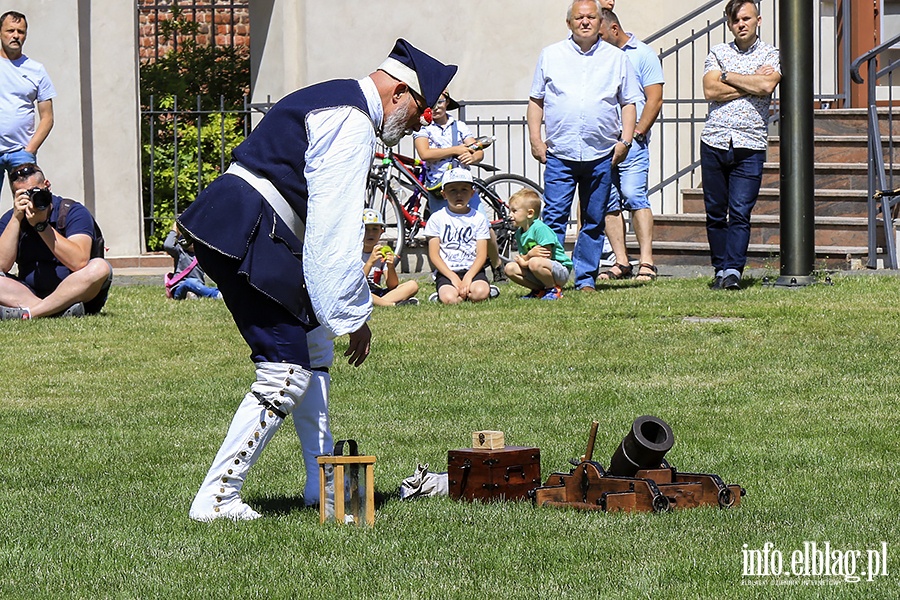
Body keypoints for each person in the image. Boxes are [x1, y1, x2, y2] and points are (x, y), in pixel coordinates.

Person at [178, 39, 456, 521]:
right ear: (398, 94)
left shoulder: (337, 100)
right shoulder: (349, 121)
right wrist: (353, 316)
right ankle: (217, 498)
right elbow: (334, 228)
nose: (418, 124)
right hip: (251, 230)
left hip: (250, 225)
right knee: (285, 370)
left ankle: (324, 488)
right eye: (420, 111)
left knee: (313, 349)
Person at [527, 0, 642, 292]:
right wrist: (535, 139)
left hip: (601, 152)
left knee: (593, 218)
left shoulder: (617, 59)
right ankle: (550, 277)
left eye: (591, 17)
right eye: (579, 17)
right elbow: (536, 101)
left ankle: (586, 277)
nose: (585, 22)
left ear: (600, 22)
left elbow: (628, 103)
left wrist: (625, 141)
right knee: (553, 217)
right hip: (560, 153)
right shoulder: (550, 55)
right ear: (569, 23)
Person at [701, 0, 780, 290]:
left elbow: (766, 87)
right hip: (715, 140)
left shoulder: (771, 53)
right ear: (729, 24)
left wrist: (728, 77)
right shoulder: (718, 52)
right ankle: (719, 268)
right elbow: (710, 89)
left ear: (758, 20)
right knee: (714, 210)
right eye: (736, 20)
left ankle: (733, 270)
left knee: (740, 210)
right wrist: (751, 81)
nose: (741, 24)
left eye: (746, 18)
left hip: (750, 143)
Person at [597, 8, 665, 282]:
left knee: (634, 196)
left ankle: (646, 261)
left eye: (600, 34)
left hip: (633, 144)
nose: (597, 40)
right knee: (609, 203)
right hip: (603, 143)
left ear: (614, 30)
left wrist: (637, 132)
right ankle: (621, 262)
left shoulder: (643, 54)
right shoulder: (599, 57)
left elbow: (655, 98)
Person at [413, 89, 505, 282]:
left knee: (484, 226)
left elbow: (477, 150)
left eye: (440, 102)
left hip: (462, 183)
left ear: (447, 103)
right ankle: (445, 274)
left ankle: (497, 265)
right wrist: (455, 150)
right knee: (439, 230)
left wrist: (472, 156)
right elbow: (425, 153)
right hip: (439, 188)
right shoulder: (423, 127)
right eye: (431, 103)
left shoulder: (459, 126)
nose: (436, 107)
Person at [0, 163, 111, 319]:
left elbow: (79, 261)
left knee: (100, 268)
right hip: (30, 292)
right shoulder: (12, 219)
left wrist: (41, 226)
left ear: (47, 186)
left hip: (76, 295)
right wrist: (16, 219)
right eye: (25, 195)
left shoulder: (72, 211)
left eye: (36, 192)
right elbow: (2, 266)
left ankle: (31, 313)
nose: (33, 200)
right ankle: (55, 311)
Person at [424, 168, 497, 304]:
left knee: (480, 293)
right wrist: (453, 278)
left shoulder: (478, 218)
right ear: (444, 194)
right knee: (449, 298)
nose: (459, 194)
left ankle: (484, 289)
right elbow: (434, 255)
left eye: (464, 189)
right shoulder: (437, 218)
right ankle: (444, 293)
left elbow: (481, 254)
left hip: (472, 270)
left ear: (472, 193)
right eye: (452, 190)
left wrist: (469, 277)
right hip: (448, 271)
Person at [0, 11, 55, 180]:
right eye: (10, 31)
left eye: (21, 32)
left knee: (28, 203)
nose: (15, 36)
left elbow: (47, 118)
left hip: (21, 153)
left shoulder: (36, 70)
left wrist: (29, 150)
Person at [504, 188, 572, 300]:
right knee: (509, 268)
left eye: (514, 211)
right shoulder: (519, 233)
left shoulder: (540, 228)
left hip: (558, 270)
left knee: (535, 262)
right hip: (537, 268)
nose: (510, 215)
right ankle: (539, 291)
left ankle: (554, 290)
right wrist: (528, 256)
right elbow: (524, 257)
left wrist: (527, 260)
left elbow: (546, 255)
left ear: (530, 213)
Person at [361, 208, 419, 306]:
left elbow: (392, 286)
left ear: (381, 231)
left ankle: (380, 303)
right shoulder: (354, 253)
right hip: (360, 292)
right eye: (366, 229)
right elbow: (356, 282)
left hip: (378, 294)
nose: (370, 233)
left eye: (375, 229)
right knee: (360, 293)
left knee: (412, 285)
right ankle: (391, 304)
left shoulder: (381, 252)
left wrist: (390, 266)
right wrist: (370, 263)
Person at [162, 222, 222, 300]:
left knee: (196, 285)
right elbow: (167, 245)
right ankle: (216, 294)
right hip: (179, 288)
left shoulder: (201, 254)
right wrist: (174, 230)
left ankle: (192, 295)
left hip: (198, 287)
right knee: (190, 282)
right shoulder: (179, 251)